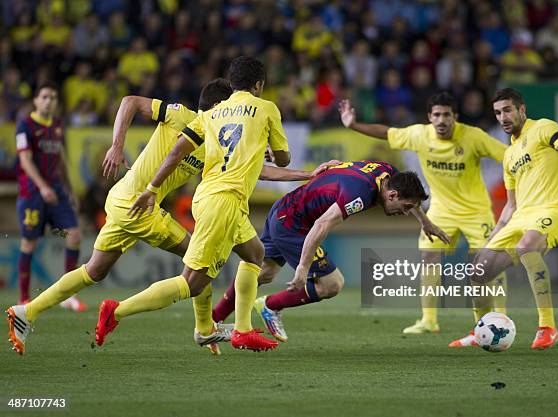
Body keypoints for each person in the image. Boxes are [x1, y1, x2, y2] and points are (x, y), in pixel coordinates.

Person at [7, 78, 328, 355]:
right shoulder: (182, 117)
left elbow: (259, 171)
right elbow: (130, 101)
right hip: (138, 203)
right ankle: (197, 327)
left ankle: (26, 311)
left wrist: (304, 174)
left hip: (125, 202)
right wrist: (117, 146)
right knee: (196, 266)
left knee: (94, 271)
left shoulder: (212, 140)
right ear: (217, 105)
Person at [94, 56, 291, 352]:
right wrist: (271, 152)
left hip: (209, 195)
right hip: (224, 201)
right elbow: (282, 157)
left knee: (255, 253)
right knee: (192, 283)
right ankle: (116, 311)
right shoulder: (266, 109)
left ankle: (242, 329)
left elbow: (175, 153)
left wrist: (152, 189)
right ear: (259, 85)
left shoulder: (211, 115)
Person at [338, 92, 509, 347]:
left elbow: (508, 156)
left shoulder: (473, 136)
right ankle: (429, 320)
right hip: (441, 209)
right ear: (430, 117)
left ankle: (499, 318)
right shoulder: (419, 134)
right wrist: (353, 125)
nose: (441, 120)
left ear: (455, 117)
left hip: (476, 211)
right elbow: (386, 132)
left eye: (447, 115)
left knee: (488, 263)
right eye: (437, 115)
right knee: (429, 256)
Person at [212, 161, 448, 342]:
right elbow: (321, 225)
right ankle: (271, 305)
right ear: (392, 195)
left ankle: (212, 322)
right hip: (294, 225)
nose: (406, 212)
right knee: (331, 284)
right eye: (405, 208)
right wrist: (303, 269)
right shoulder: (359, 194)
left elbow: (340, 167)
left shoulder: (388, 172)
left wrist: (424, 222)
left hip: (283, 209)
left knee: (263, 273)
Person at [471, 88, 558, 350]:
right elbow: (511, 205)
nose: (503, 117)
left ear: (521, 110)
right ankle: (480, 329)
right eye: (498, 112)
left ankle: (547, 327)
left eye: (507, 110)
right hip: (520, 217)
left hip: (552, 210)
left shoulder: (543, 127)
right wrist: (492, 237)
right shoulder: (509, 155)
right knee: (478, 271)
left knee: (527, 246)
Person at [13, 82, 84, 311]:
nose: (49, 101)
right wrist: (42, 186)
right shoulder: (25, 125)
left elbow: (61, 160)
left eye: (52, 97)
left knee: (72, 235)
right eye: (44, 96)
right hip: (33, 194)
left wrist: (70, 191)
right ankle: (24, 297)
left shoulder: (56, 125)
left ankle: (68, 295)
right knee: (30, 242)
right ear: (35, 100)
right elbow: (25, 160)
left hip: (57, 192)